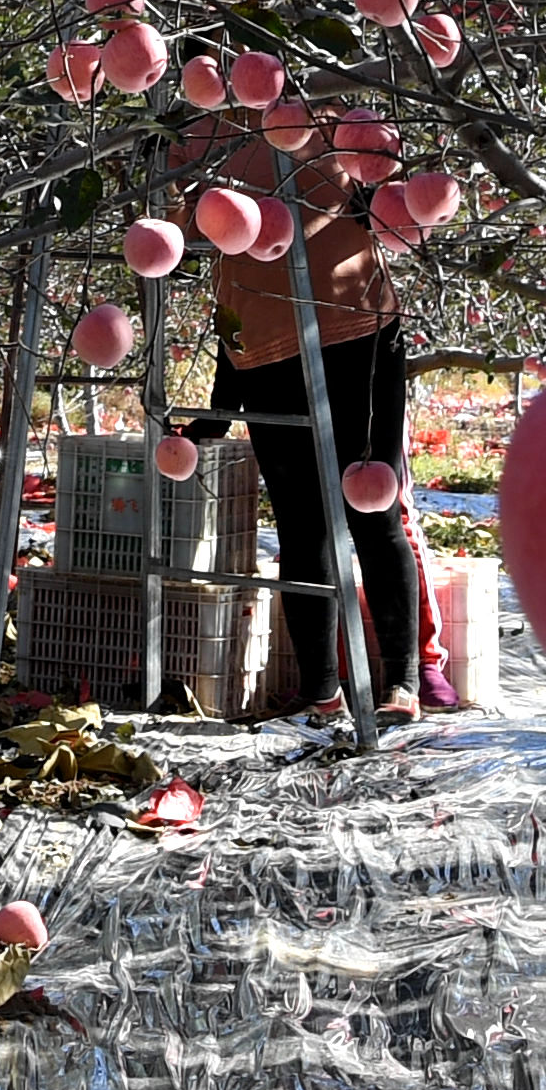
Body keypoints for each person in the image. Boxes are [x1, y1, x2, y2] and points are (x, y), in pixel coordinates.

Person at [181, 98, 424, 726]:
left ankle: (399, 683)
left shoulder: (317, 103)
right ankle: (323, 689)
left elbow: (389, 189)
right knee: (305, 525)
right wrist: (220, 401)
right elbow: (205, 247)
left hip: (356, 330)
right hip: (263, 347)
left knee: (369, 508)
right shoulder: (192, 137)